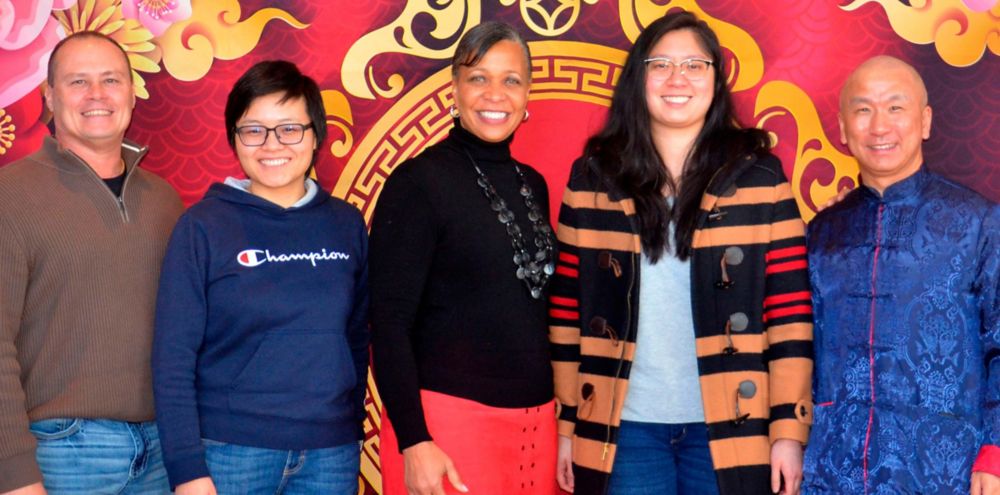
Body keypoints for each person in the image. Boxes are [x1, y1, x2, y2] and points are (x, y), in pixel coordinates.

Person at [549, 11, 814, 495]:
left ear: (716, 78)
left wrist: (788, 432)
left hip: (734, 425)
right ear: (638, 78)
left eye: (695, 65)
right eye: (661, 64)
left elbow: (790, 314)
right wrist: (569, 424)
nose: (678, 79)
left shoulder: (761, 180)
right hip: (623, 428)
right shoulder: (592, 179)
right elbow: (567, 310)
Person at [151, 60, 369, 495]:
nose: (272, 145)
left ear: (315, 136)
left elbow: (356, 339)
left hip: (330, 453)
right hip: (231, 452)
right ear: (235, 138)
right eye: (254, 130)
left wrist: (344, 423)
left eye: (290, 128)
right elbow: (172, 357)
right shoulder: (203, 227)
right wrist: (186, 469)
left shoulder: (347, 224)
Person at [369, 21, 558, 495]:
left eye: (510, 80)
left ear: (528, 93)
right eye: (479, 78)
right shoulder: (417, 182)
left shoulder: (532, 183)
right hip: (446, 432)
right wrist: (414, 440)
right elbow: (387, 322)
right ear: (454, 89)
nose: (495, 94)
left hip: (537, 429)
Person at [802, 55, 1000, 495]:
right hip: (835, 470)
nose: (879, 127)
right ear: (842, 127)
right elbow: (801, 351)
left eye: (895, 107)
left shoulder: (978, 222)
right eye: (863, 109)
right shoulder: (822, 233)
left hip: (946, 470)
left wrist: (997, 450)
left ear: (924, 121)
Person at [0, 31, 183, 494]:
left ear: (131, 92)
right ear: (49, 96)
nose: (97, 95)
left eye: (111, 80)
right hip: (61, 452)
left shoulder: (166, 201)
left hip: (162, 450)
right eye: (78, 81)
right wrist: (16, 475)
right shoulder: (10, 195)